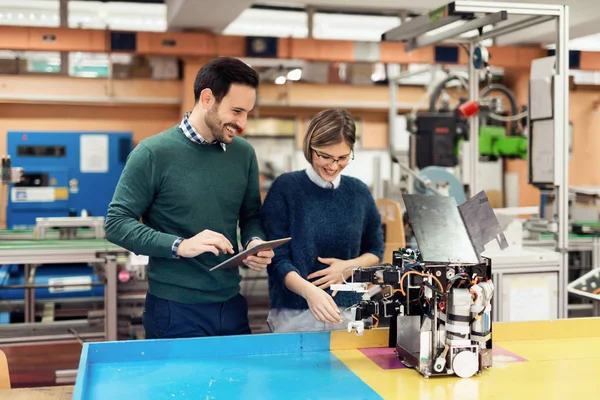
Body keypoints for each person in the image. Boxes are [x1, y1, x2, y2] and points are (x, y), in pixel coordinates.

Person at [105, 57, 274, 339]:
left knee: (234, 383)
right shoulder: (153, 153)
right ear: (207, 98)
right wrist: (180, 246)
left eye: (248, 113)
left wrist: (254, 241)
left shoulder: (243, 154)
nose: (242, 123)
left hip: (231, 303)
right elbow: (117, 223)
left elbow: (250, 215)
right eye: (236, 111)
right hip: (174, 309)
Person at [260, 109, 384, 332]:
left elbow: (375, 250)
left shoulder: (359, 192)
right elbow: (277, 260)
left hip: (349, 314)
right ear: (310, 148)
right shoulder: (286, 188)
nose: (333, 166)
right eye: (325, 156)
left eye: (343, 157)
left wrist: (348, 267)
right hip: (295, 314)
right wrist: (309, 292)